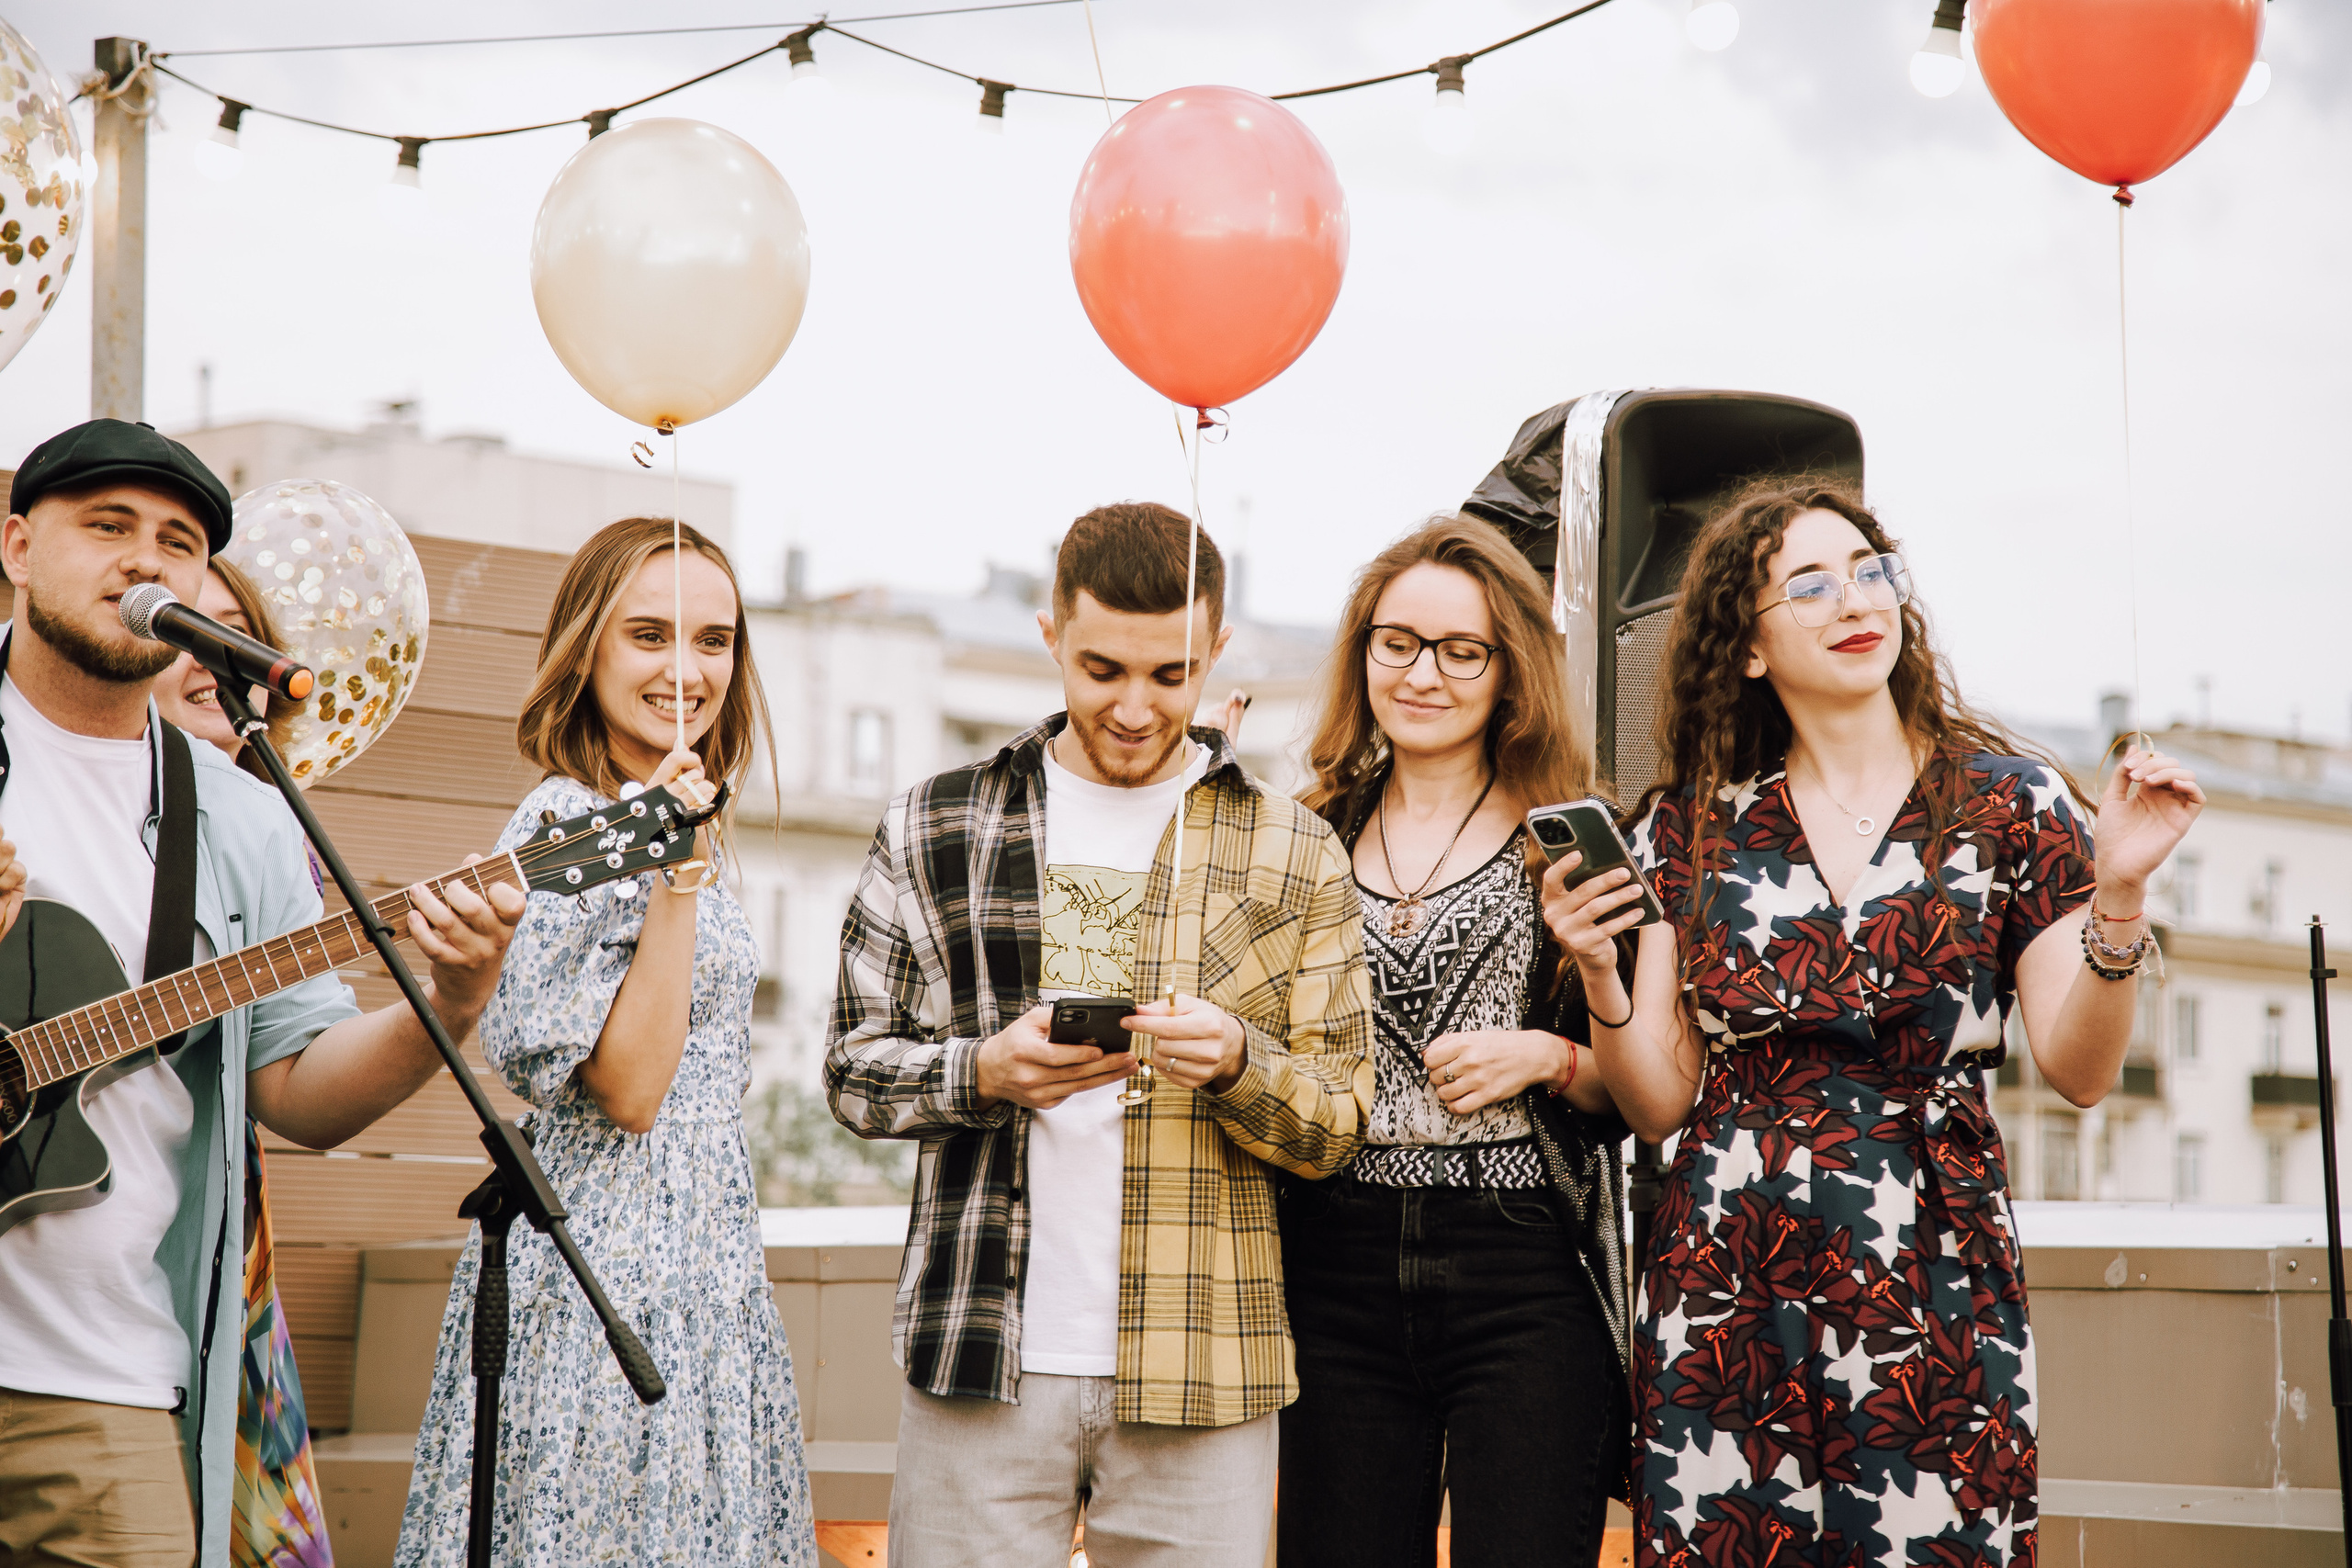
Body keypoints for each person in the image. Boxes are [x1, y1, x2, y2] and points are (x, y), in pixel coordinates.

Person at [1545, 478, 2202, 1564]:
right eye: (1806, 584)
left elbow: (2080, 1070)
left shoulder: (2011, 803)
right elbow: (1659, 1100)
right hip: (1725, 1279)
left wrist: (2119, 896)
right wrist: (1600, 978)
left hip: (1928, 1267)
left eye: (1869, 571)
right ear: (1746, 647)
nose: (1854, 599)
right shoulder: (1690, 826)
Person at [0, 420, 523, 1568]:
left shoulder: (238, 818)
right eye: (108, 526)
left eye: (177, 543)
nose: (145, 560)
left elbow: (299, 1085)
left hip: (102, 1382)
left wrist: (453, 1003)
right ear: (19, 547)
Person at [827, 502, 1373, 1568]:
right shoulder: (935, 821)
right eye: (1100, 669)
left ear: (1217, 652)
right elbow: (853, 1074)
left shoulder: (1296, 849)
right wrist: (984, 1069)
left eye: (1170, 675)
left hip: (1206, 1366)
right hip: (980, 1349)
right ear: (1050, 638)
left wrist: (1238, 1066)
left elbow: (1338, 1121)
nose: (1132, 707)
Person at [395, 517, 815, 1567]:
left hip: (706, 1266)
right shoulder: (563, 826)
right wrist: (673, 874)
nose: (688, 670)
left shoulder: (686, 822)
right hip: (604, 1271)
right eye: (650, 636)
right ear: (587, 649)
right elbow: (629, 1091)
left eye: (714, 641)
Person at [1283, 514, 1630, 1566]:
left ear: (1508, 670)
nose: (1422, 673)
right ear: (1362, 654)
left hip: (1521, 1262)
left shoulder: (1572, 839)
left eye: (1460, 650)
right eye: (1397, 642)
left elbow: (1651, 1091)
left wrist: (1550, 1058)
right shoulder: (1304, 832)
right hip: (1331, 1263)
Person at [149, 556, 334, 1567]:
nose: (215, 661)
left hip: (226, 1230)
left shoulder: (274, 827)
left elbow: (296, 1066)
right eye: (192, 631)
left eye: (239, 637)